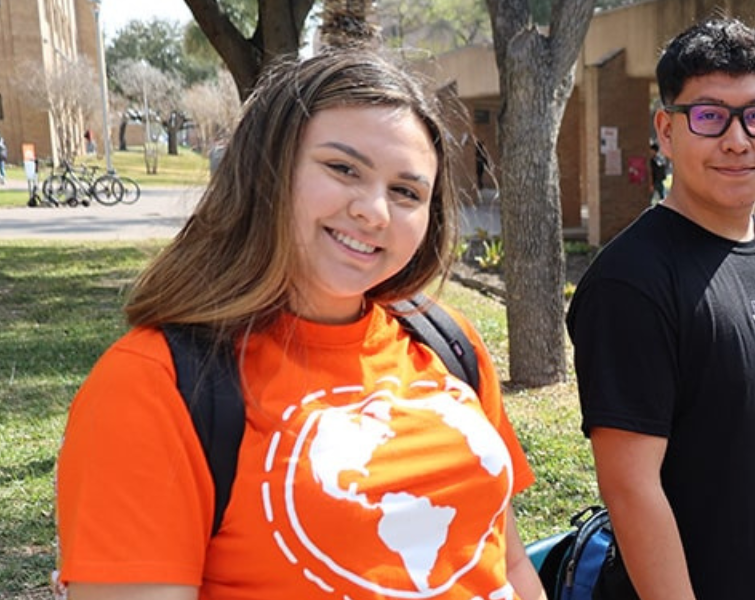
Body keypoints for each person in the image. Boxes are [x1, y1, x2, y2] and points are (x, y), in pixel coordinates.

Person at [54, 50, 546, 600]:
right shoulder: (151, 386)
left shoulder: (451, 344)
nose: (375, 211)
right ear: (265, 169)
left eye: (407, 192)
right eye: (343, 169)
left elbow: (508, 566)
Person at [566, 17, 755, 600]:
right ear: (666, 131)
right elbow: (631, 490)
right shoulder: (631, 282)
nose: (738, 140)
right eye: (710, 116)